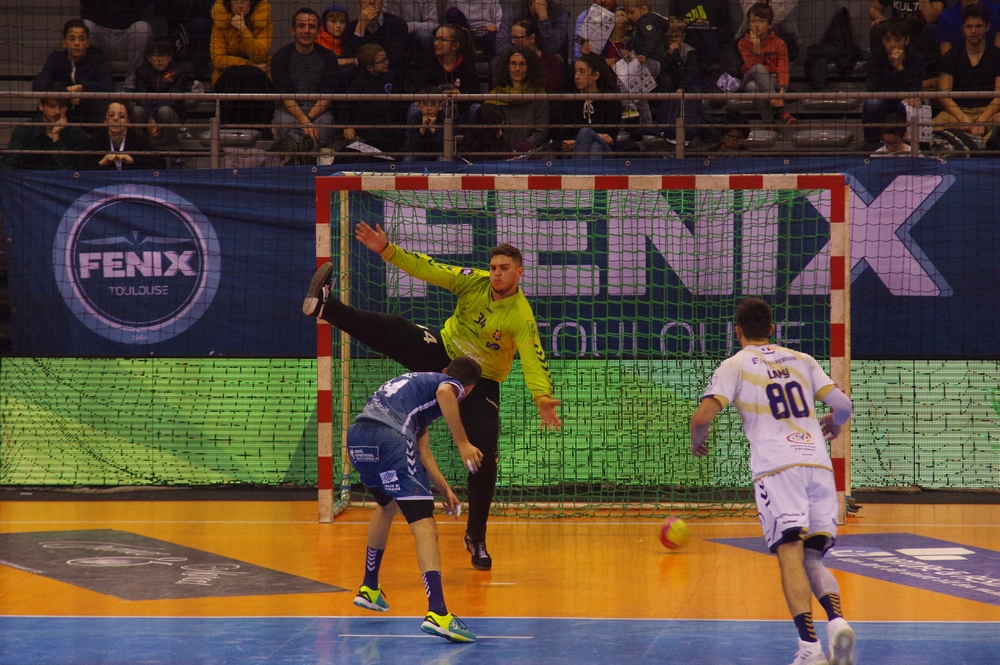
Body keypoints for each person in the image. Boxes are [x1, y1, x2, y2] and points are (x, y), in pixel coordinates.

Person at [303, 233, 561, 571]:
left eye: (504, 268)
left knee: (483, 460)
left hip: (481, 380)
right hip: (444, 352)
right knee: (396, 329)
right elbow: (431, 270)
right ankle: (326, 307)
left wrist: (541, 397)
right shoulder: (475, 282)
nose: (497, 274)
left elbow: (532, 357)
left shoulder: (520, 316)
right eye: (494, 267)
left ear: (519, 273)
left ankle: (476, 537)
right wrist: (388, 251)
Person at [689, 297, 856, 665]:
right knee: (813, 557)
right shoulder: (803, 359)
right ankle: (838, 623)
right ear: (771, 330)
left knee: (790, 554)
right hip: (818, 465)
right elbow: (843, 406)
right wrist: (834, 422)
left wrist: (696, 442)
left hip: (777, 469)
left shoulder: (735, 364)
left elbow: (701, 418)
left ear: (737, 332)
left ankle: (810, 649)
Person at [347, 357, 483, 642]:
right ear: (468, 389)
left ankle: (369, 587)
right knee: (425, 526)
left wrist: (445, 490)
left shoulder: (413, 390)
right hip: (391, 438)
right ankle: (438, 613)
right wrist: (463, 444)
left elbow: (423, 452)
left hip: (359, 438)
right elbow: (445, 393)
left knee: (386, 505)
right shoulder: (449, 386)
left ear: (444, 369)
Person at [270, 7, 340, 160]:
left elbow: (326, 97)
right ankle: (307, 157)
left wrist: (308, 121)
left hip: (320, 112)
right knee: (285, 123)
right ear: (293, 30)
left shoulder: (329, 57)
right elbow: (286, 96)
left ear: (319, 31)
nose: (307, 31)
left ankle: (293, 155)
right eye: (301, 26)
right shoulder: (280, 57)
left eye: (312, 27)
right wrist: (305, 122)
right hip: (289, 111)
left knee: (324, 125)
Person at [933, 3, 1000, 138]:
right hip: (958, 112)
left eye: (978, 26)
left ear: (987, 27)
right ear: (962, 28)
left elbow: (999, 96)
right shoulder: (951, 56)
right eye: (969, 27)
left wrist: (981, 122)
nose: (973, 31)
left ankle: (983, 146)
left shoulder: (997, 55)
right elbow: (944, 96)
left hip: (989, 113)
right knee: (930, 129)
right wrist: (963, 119)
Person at [32, 19, 115, 125]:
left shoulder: (98, 60)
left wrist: (82, 89)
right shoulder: (55, 59)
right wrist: (64, 91)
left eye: (82, 39)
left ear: (88, 43)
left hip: (88, 112)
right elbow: (38, 85)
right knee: (45, 106)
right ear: (64, 43)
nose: (77, 43)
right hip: (62, 109)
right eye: (72, 39)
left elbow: (108, 86)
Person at [210, 0, 275, 130]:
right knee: (236, 75)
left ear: (251, 3)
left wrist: (243, 29)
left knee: (252, 76)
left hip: (259, 76)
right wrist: (249, 64)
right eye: (235, 1)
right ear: (229, 3)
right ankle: (226, 131)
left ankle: (259, 130)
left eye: (244, 1)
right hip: (227, 76)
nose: (240, 6)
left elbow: (259, 56)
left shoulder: (264, 22)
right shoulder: (219, 24)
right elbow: (218, 59)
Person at [864, 16, 925, 147]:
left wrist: (900, 67)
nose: (892, 45)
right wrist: (902, 94)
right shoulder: (875, 57)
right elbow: (873, 89)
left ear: (906, 40)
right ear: (882, 40)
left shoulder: (916, 58)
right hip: (884, 102)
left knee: (912, 105)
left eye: (897, 40)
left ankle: (908, 147)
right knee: (872, 104)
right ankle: (872, 147)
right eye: (888, 40)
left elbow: (915, 90)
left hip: (903, 103)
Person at [1, 83, 90, 171]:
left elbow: (70, 172)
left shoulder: (78, 135)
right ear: (41, 106)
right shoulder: (24, 130)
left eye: (62, 106)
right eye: (52, 106)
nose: (57, 112)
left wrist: (56, 137)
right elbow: (9, 163)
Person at [738, 3, 795, 125]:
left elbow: (783, 69)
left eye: (761, 21)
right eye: (753, 21)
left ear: (770, 24)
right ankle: (780, 110)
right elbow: (751, 66)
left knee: (753, 87)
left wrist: (782, 92)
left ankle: (769, 122)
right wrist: (756, 47)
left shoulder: (779, 43)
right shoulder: (743, 42)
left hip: (772, 80)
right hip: (749, 76)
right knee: (757, 69)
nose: (756, 25)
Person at [342, 44, 406, 152]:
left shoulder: (389, 76)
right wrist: (347, 126)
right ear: (370, 67)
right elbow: (346, 105)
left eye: (386, 59)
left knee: (399, 136)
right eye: (382, 61)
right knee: (377, 140)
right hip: (365, 123)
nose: (387, 62)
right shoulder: (359, 83)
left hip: (385, 120)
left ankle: (392, 158)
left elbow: (395, 100)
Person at [485, 47, 550, 152]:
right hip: (499, 153)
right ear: (507, 66)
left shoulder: (539, 95)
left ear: (530, 67)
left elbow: (540, 133)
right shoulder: (495, 95)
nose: (517, 69)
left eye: (522, 64)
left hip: (528, 153)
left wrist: (520, 150)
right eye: (513, 63)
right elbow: (489, 132)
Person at [413, 24, 482, 122]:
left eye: (442, 40)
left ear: (455, 46)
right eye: (436, 39)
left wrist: (460, 95)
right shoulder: (429, 63)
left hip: (461, 114)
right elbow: (421, 89)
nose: (436, 43)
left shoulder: (467, 65)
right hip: (434, 111)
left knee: (476, 108)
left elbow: (475, 94)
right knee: (414, 107)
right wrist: (439, 95)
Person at [79, 0, 154, 89]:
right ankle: (94, 82)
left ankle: (131, 86)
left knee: (142, 28)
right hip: (100, 35)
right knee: (85, 26)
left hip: (127, 35)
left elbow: (146, 3)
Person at [560, 52, 621, 157]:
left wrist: (581, 140)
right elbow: (565, 137)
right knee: (595, 147)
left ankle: (581, 168)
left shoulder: (611, 100)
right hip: (574, 152)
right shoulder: (570, 100)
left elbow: (610, 138)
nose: (576, 76)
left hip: (605, 152)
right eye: (575, 72)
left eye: (582, 72)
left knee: (589, 137)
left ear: (596, 75)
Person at [75, 101, 166, 170]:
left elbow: (160, 164)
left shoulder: (138, 140)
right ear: (105, 120)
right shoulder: (96, 140)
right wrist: (100, 163)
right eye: (111, 115)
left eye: (121, 116)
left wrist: (133, 161)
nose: (115, 119)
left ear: (129, 121)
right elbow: (76, 165)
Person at [133, 37, 190, 146]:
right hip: (148, 116)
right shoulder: (141, 71)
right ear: (149, 58)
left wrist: (153, 118)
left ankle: (172, 149)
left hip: (172, 115)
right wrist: (151, 118)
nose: (159, 59)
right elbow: (141, 96)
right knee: (136, 111)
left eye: (163, 55)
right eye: (155, 55)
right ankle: (137, 148)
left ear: (170, 57)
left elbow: (172, 98)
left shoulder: (179, 72)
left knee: (164, 111)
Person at [342, 0, 410, 88]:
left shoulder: (397, 23)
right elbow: (349, 55)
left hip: (388, 69)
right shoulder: (351, 27)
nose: (372, 1)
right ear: (359, 5)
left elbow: (395, 56)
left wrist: (367, 63)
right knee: (347, 72)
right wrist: (360, 27)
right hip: (360, 73)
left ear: (382, 2)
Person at [869, 0, 945, 77]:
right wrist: (880, 18)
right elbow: (874, 8)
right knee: (877, 28)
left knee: (931, 29)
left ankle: (927, 77)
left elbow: (931, 18)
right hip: (898, 34)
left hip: (922, 35)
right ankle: (878, 73)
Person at [668, 0, 736, 78]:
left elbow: (727, 33)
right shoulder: (677, 2)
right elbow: (671, 27)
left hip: (710, 50)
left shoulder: (719, 2)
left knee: (707, 35)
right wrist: (685, 26)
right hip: (685, 48)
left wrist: (710, 27)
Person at [506, 17, 566, 92]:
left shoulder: (550, 62)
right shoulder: (506, 60)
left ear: (532, 38)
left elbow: (550, 88)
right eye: (512, 37)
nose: (513, 42)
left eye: (517, 38)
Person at [496, 0, 571, 57]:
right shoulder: (514, 9)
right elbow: (500, 45)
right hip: (515, 57)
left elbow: (550, 50)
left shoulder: (561, 15)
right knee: (496, 62)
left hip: (544, 61)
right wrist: (531, 52)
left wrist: (543, 17)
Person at [401, 86, 446, 160]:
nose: (429, 108)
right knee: (408, 159)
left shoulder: (445, 119)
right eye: (425, 104)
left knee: (443, 159)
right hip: (419, 154)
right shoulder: (414, 119)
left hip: (438, 154)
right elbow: (411, 147)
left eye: (433, 104)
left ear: (440, 106)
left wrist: (433, 130)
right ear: (419, 106)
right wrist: (422, 129)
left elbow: (445, 147)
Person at [318, 4, 354, 68]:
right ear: (325, 23)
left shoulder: (348, 41)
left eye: (342, 22)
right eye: (333, 21)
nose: (338, 25)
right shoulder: (315, 39)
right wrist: (350, 61)